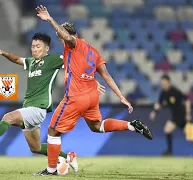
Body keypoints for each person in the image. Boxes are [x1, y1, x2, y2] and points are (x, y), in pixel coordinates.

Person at [34, 5, 153, 176]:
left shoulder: (72, 44)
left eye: (61, 36)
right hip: (91, 96)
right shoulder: (93, 51)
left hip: (76, 97)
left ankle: (51, 170)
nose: (60, 40)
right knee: (97, 126)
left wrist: (50, 19)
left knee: (53, 130)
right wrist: (121, 96)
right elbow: (106, 75)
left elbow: (66, 36)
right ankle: (132, 126)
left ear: (70, 35)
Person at [0, 33, 105, 170]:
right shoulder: (31, 62)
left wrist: (92, 80)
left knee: (8, 117)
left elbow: (77, 64)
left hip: (38, 108)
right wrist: (3, 53)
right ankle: (68, 156)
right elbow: (17, 59)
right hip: (29, 109)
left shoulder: (54, 60)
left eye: (38, 46)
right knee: (35, 148)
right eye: (33, 46)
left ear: (47, 48)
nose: (34, 49)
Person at [149, 75, 193, 156]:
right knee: (170, 130)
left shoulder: (175, 91)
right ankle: (170, 151)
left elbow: (187, 101)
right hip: (175, 117)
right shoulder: (163, 93)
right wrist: (154, 112)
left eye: (164, 83)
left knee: (188, 134)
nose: (163, 84)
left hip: (182, 116)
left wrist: (188, 114)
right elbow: (159, 104)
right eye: (162, 83)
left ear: (169, 82)